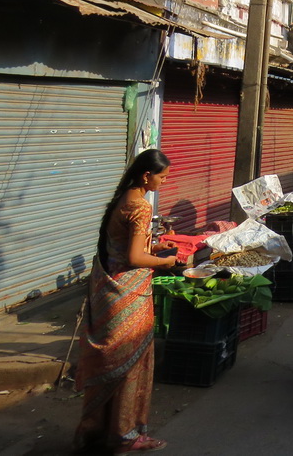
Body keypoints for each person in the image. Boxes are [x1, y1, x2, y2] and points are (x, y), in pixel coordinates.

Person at [74, 149, 180, 455]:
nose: (164, 181)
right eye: (162, 176)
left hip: (111, 291)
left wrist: (156, 245)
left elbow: (122, 246)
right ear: (147, 175)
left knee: (116, 362)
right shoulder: (140, 207)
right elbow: (134, 258)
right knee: (131, 365)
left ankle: (96, 431)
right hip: (129, 293)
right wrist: (166, 261)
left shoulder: (123, 199)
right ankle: (125, 435)